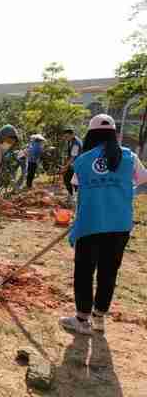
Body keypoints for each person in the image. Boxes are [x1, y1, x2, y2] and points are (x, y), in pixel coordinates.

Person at [60, 114, 147, 335]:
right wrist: (125, 194)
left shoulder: (82, 160)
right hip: (119, 224)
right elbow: (144, 180)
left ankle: (82, 319)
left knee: (84, 271)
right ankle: (99, 319)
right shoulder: (129, 157)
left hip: (91, 223)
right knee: (109, 272)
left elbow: (77, 189)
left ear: (91, 134)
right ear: (113, 133)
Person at [62, 127, 83, 203]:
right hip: (73, 164)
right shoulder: (70, 141)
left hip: (77, 165)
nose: (65, 138)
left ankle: (74, 197)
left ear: (72, 135)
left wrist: (65, 166)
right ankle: (71, 195)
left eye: (67, 136)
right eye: (65, 136)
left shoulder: (76, 143)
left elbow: (73, 157)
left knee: (71, 180)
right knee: (69, 180)